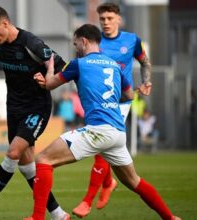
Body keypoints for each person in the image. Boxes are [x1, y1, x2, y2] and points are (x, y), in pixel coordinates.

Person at [25, 24, 180, 220]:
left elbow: (49, 85)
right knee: (134, 181)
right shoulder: (115, 65)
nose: (75, 48)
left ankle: (37, 217)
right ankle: (170, 217)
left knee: (43, 160)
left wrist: (48, 69)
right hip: (117, 132)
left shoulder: (78, 64)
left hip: (98, 130)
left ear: (84, 41)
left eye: (75, 44)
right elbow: (128, 95)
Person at [0, 5, 70, 220]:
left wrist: (49, 79)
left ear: (5, 24)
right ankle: (57, 213)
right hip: (14, 107)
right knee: (27, 166)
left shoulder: (31, 43)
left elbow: (60, 65)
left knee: (13, 153)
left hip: (37, 107)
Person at [72, 3, 154, 218]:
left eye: (110, 18)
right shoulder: (93, 43)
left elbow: (144, 61)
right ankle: (108, 182)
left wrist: (146, 81)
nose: (106, 23)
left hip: (121, 102)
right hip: (97, 103)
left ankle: (87, 201)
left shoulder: (131, 40)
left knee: (101, 145)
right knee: (103, 147)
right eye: (102, 19)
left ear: (119, 19)